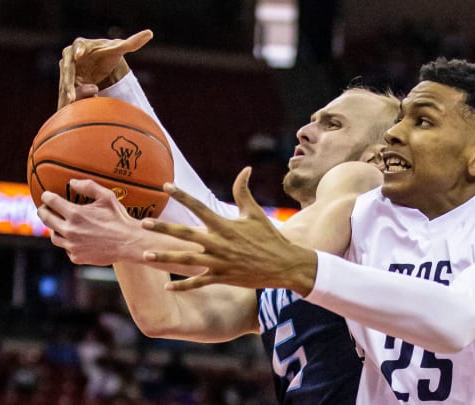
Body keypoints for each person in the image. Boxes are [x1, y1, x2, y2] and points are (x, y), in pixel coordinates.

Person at [143, 58, 475, 404]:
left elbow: (456, 318)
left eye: (421, 122)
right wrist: (127, 209)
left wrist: (298, 266)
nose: (396, 136)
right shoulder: (375, 225)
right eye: (401, 121)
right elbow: (179, 293)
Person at [38, 30, 400, 404]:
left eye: (333, 125)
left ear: (377, 156)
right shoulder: (293, 253)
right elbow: (165, 314)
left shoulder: (369, 191)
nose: (304, 131)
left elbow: (268, 251)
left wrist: (130, 238)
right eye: (313, 120)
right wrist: (113, 172)